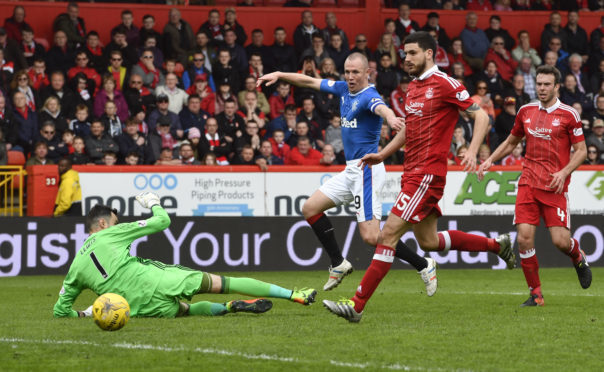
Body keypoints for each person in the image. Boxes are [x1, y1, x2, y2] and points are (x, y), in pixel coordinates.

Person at [322, 32, 514, 322]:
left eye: (412, 53)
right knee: (429, 242)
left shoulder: (445, 84)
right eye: (405, 53)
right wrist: (384, 154)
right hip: (412, 172)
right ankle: (496, 246)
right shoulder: (413, 87)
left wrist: (472, 151)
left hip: (427, 174)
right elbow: (408, 129)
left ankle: (356, 305)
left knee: (387, 234)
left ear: (429, 54)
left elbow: (482, 117)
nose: (406, 58)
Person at [258, 52, 437, 293]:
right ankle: (338, 263)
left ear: (367, 74)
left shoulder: (368, 96)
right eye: (347, 71)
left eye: (355, 72)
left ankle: (423, 264)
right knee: (310, 208)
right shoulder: (343, 89)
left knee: (372, 237)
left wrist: (392, 118)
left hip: (367, 170)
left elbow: (382, 109)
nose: (350, 77)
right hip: (351, 170)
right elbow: (310, 81)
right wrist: (280, 75)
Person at [53, 192, 317, 318]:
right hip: (155, 279)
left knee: (187, 311)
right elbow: (162, 221)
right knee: (223, 283)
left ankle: (227, 309)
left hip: (136, 307)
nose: (116, 223)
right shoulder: (112, 232)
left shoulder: (75, 269)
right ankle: (294, 295)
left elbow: (60, 312)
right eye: (114, 220)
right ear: (102, 224)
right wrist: (153, 202)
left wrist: (86, 314)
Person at [478, 65, 591, 307]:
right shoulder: (525, 111)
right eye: (539, 84)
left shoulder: (569, 114)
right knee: (524, 239)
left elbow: (581, 152)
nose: (541, 88)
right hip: (528, 181)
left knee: (561, 241)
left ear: (556, 86)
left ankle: (578, 255)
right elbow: (511, 141)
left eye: (546, 84)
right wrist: (489, 160)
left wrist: (564, 171)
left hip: (555, 185)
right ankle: (536, 294)